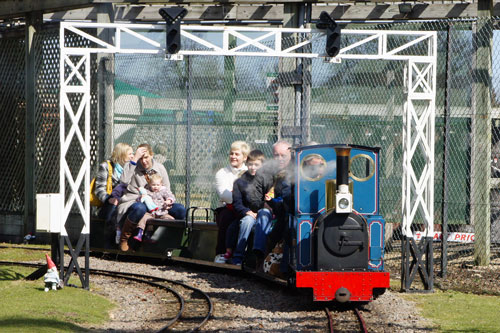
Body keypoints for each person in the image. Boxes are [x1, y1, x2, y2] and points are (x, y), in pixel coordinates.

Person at [117, 143, 186, 252]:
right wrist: (135, 159)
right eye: (141, 158)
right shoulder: (131, 165)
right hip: (136, 199)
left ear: (152, 155)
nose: (143, 161)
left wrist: (167, 201)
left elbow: (167, 189)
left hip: (158, 203)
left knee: (180, 210)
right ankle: (125, 239)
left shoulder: (160, 168)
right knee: (140, 208)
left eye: (146, 158)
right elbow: (124, 181)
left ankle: (172, 243)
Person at [249, 140, 293, 271]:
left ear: (290, 155)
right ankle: (260, 255)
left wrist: (273, 203)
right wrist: (265, 202)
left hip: (284, 211)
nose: (279, 159)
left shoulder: (295, 171)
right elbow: (255, 195)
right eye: (276, 155)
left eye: (283, 155)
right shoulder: (265, 172)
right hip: (269, 210)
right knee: (263, 214)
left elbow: (289, 201)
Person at [221, 150, 265, 265]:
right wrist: (247, 211)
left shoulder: (267, 181)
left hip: (263, 214)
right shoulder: (240, 182)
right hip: (246, 214)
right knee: (248, 221)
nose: (253, 167)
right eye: (250, 164)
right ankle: (238, 257)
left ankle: (260, 258)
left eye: (256, 165)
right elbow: (237, 203)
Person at [213, 141, 250, 263]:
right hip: (227, 208)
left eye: (237, 154)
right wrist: (241, 199)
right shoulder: (222, 173)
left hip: (246, 208)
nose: (233, 156)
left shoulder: (249, 172)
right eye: (231, 153)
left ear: (244, 157)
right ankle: (221, 253)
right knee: (226, 217)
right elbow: (225, 195)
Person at [94, 143, 134, 245]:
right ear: (121, 154)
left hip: (127, 200)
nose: (132, 156)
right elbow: (99, 189)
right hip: (109, 202)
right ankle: (108, 243)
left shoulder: (132, 168)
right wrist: (109, 199)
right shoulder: (106, 166)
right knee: (113, 208)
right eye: (130, 154)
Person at [133, 173, 176, 242]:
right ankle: (140, 233)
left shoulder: (163, 191)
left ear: (161, 184)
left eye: (157, 185)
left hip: (162, 212)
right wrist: (141, 197)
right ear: (150, 184)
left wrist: (168, 200)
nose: (155, 187)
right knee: (144, 218)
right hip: (151, 212)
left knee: (170, 219)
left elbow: (171, 196)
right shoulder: (147, 191)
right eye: (153, 185)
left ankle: (159, 235)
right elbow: (138, 199)